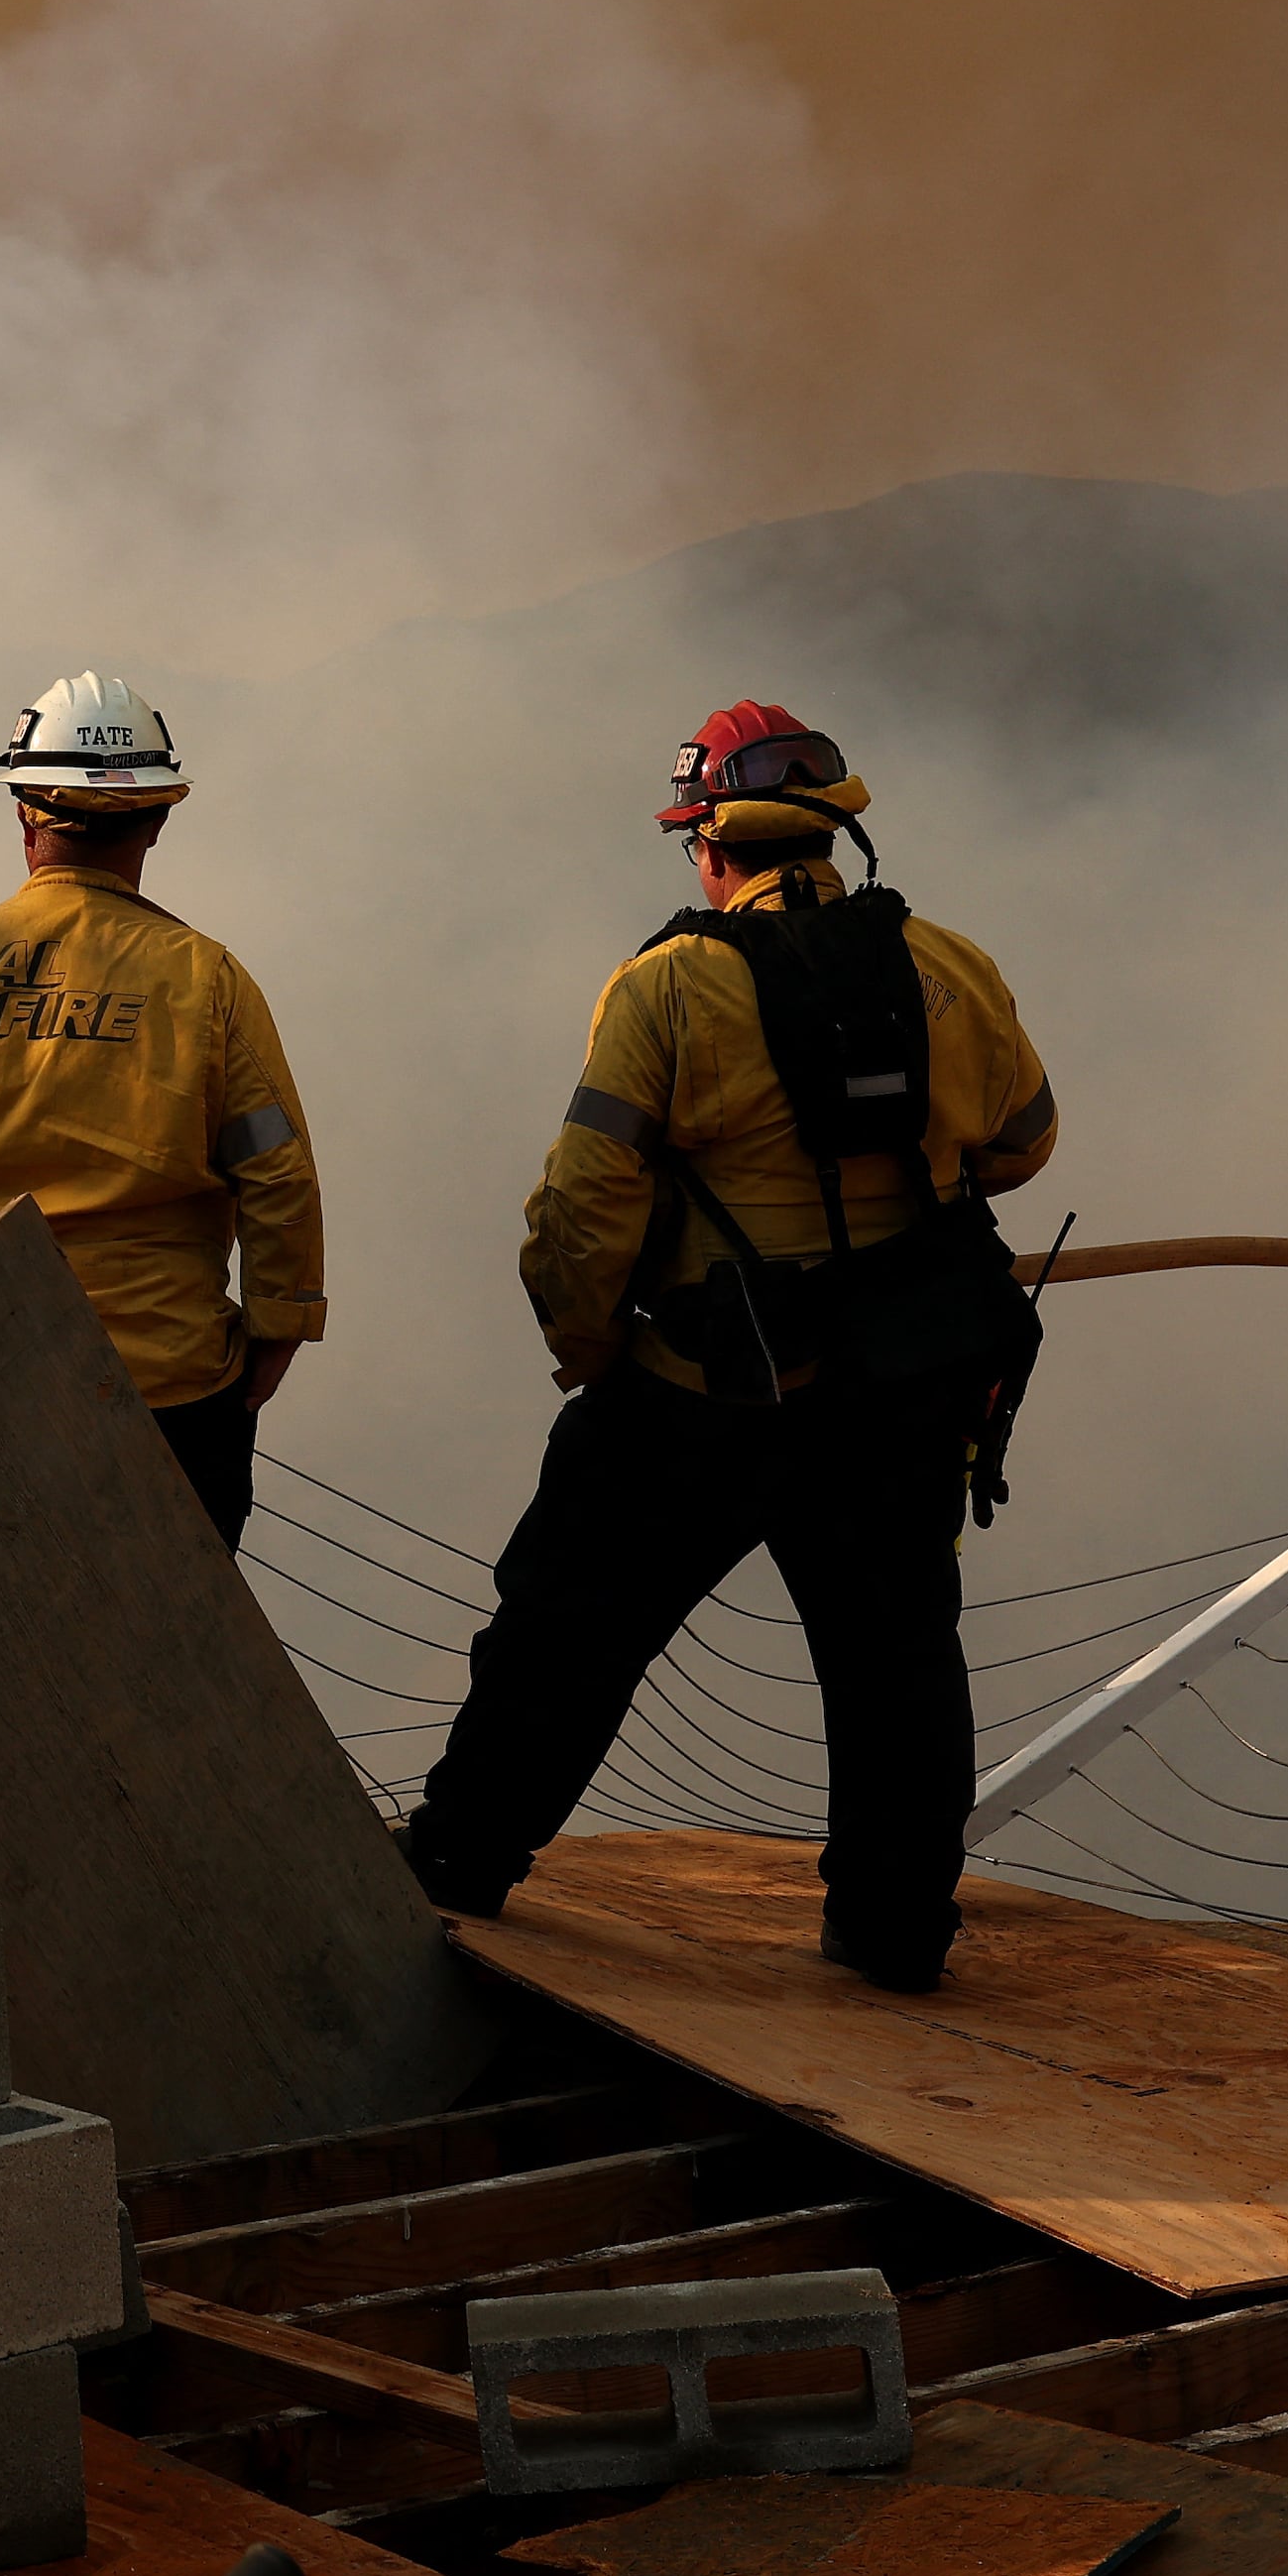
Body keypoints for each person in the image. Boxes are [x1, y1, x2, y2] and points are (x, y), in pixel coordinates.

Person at [397, 702, 1056, 1993]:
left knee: (566, 1629)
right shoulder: (949, 966)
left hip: (705, 1391)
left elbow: (585, 1203)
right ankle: (895, 1933)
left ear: (711, 843)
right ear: (832, 828)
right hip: (898, 1396)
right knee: (897, 1658)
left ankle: (459, 1864)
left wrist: (587, 1342)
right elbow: (1023, 1143)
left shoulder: (670, 985)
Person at [0, 672, 323, 1551]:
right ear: (157, 818)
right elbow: (276, 1171)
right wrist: (281, 1322)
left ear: (24, 810)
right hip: (168, 1387)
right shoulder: (206, 977)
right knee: (168, 1651)